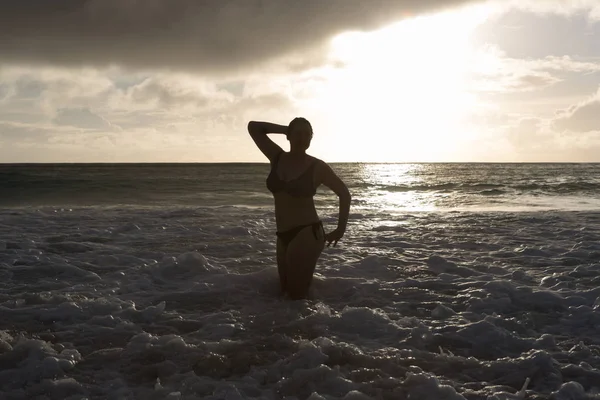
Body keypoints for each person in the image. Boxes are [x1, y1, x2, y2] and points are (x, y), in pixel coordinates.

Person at [247, 118, 351, 300]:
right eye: (298, 133)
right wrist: (285, 129)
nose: (303, 138)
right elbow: (254, 127)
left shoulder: (317, 167)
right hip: (283, 235)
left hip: (307, 233)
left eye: (307, 134)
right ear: (289, 136)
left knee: (296, 297)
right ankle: (305, 326)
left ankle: (314, 326)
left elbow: (344, 193)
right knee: (285, 292)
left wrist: (340, 229)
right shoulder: (276, 157)